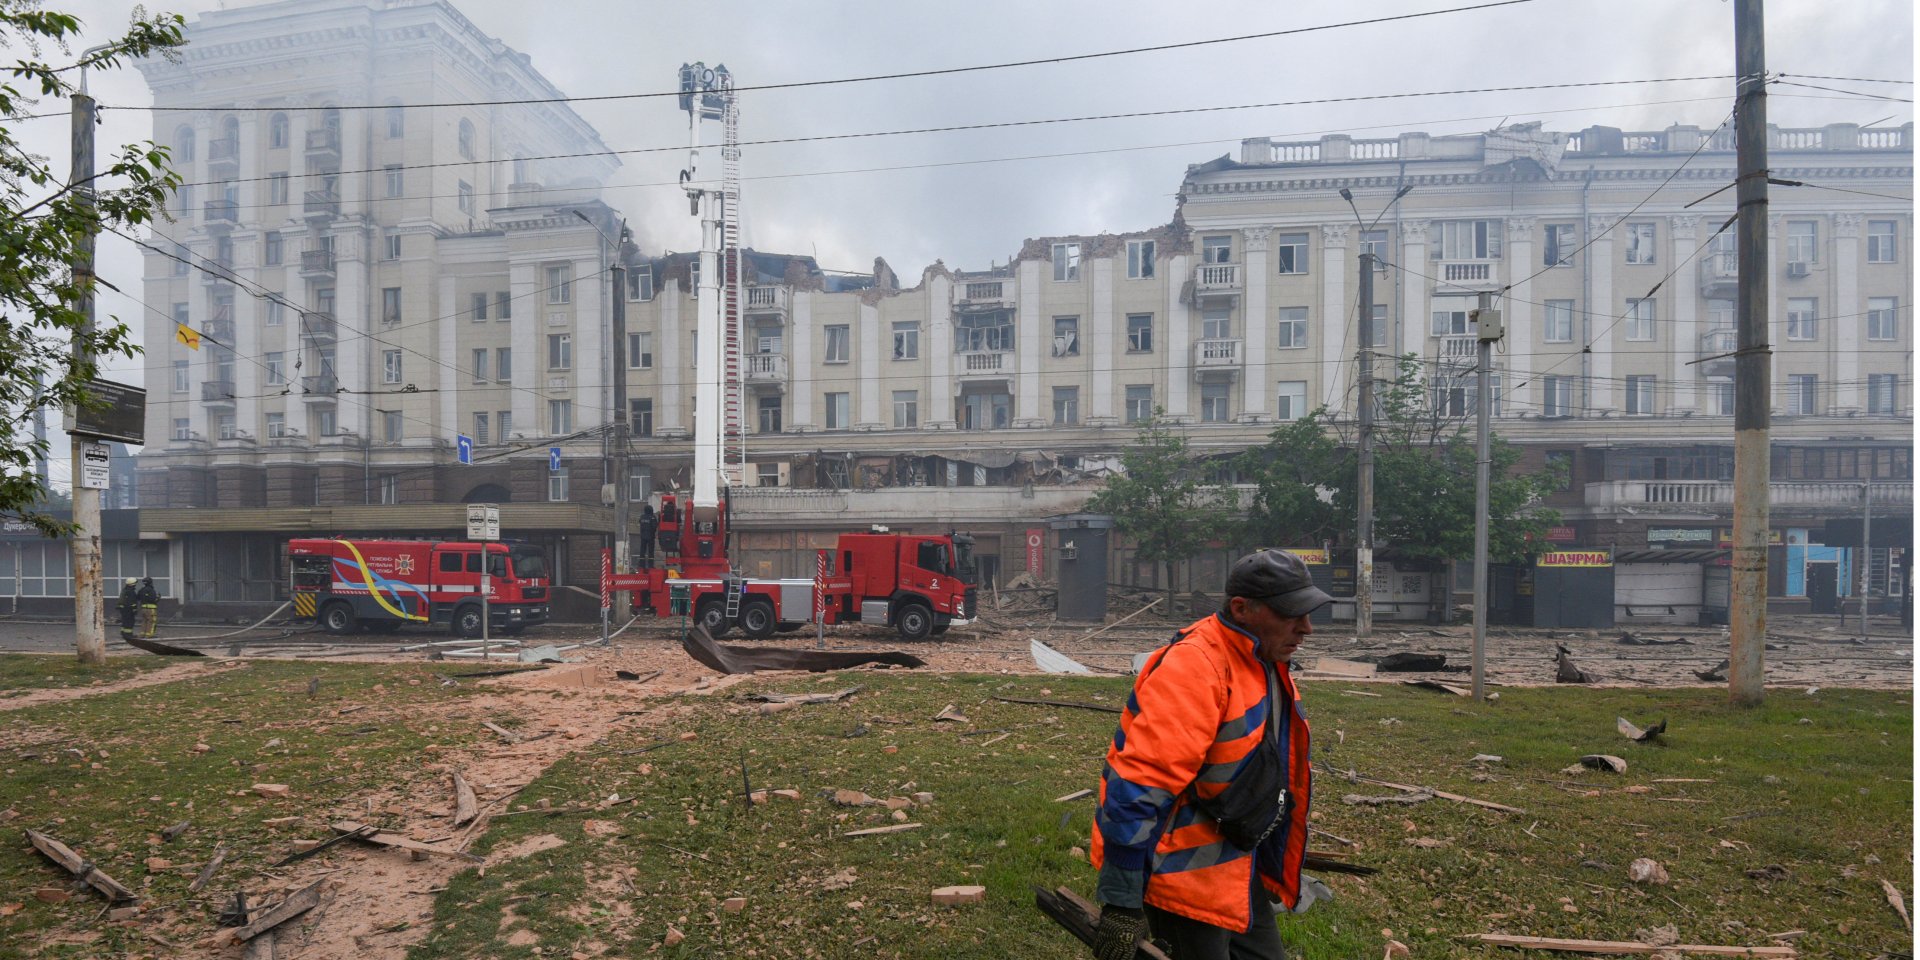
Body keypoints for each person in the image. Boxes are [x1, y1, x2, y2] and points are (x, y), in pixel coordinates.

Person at [1089, 548, 1333, 960]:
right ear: (1242, 609)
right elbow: (1140, 781)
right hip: (1182, 881)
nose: (1306, 628)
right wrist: (1121, 899)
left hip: (1236, 870)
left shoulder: (1260, 657)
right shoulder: (1196, 666)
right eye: (1291, 614)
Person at [638, 502, 658, 568]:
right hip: (650, 537)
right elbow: (654, 526)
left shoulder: (642, 517)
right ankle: (650, 565)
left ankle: (641, 565)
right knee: (650, 551)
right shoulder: (652, 517)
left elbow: (640, 523)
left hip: (643, 537)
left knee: (642, 551)